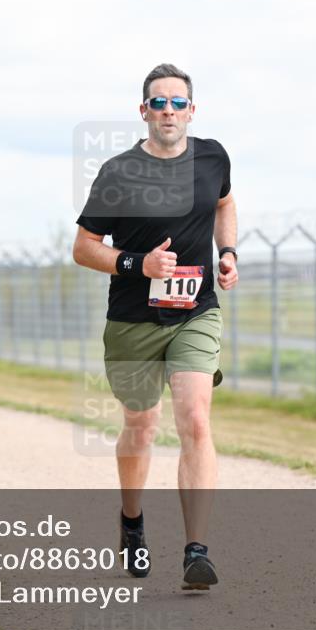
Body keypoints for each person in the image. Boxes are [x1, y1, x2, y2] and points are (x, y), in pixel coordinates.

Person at [72, 64, 239, 590]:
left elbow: (225, 203)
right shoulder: (118, 172)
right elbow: (83, 248)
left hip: (195, 311)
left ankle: (197, 550)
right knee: (141, 427)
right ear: (143, 112)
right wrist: (137, 264)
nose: (169, 111)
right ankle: (132, 521)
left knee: (194, 419)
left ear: (193, 110)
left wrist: (227, 251)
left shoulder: (214, 156)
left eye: (178, 102)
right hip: (133, 320)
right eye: (159, 103)